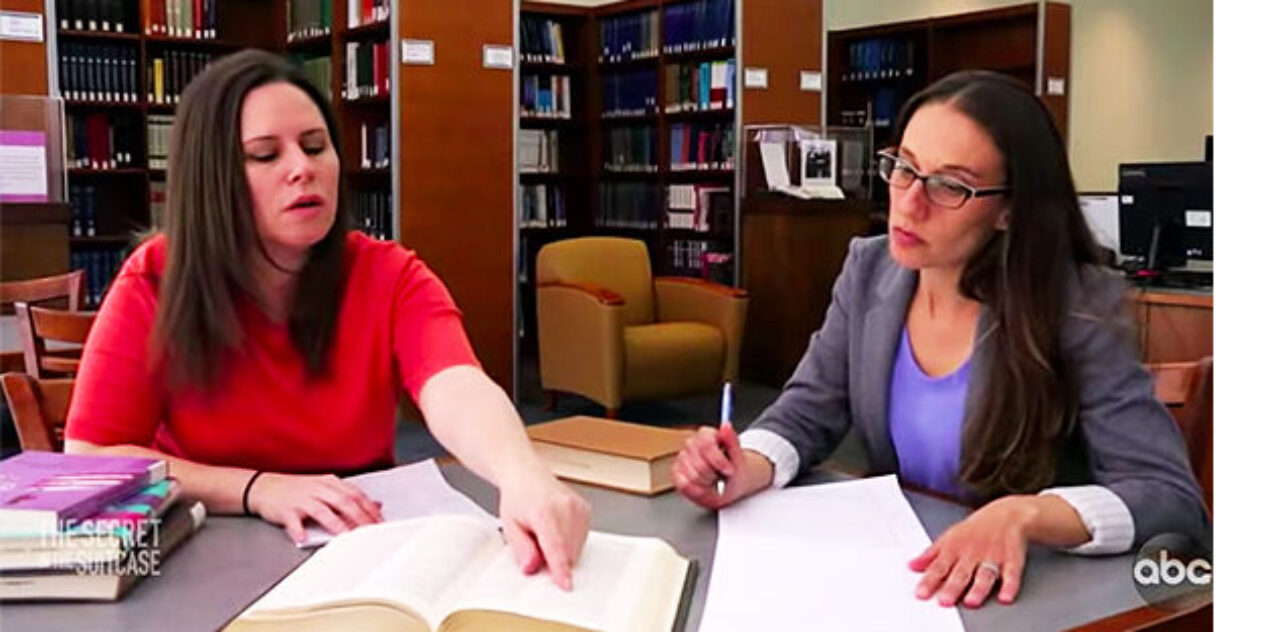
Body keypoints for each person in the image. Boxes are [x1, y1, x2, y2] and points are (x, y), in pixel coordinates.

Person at [671, 70, 1210, 608]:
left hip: (1031, 595)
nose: (909, 202)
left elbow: (1170, 499)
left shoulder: (1075, 302)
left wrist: (1027, 513)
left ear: (1010, 209)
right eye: (904, 167)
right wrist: (750, 465)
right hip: (904, 580)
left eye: (950, 185)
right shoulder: (870, 269)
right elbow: (805, 412)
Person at [64, 50, 589, 590]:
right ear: (212, 178)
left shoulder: (389, 273)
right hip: (206, 552)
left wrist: (520, 473)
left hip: (364, 539)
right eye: (265, 155)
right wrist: (257, 488)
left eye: (316, 146)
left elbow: (455, 384)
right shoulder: (155, 279)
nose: (303, 168)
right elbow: (89, 457)